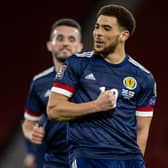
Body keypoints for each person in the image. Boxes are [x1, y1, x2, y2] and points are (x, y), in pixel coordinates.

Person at [47, 4, 157, 168]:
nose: (98, 33)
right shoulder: (77, 64)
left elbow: (142, 129)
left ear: (123, 35)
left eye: (106, 28)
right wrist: (96, 105)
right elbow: (54, 110)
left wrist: (137, 160)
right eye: (97, 27)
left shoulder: (143, 77)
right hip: (88, 156)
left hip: (129, 160)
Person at [22, 18, 83, 168]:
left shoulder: (95, 78)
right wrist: (32, 134)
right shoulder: (39, 82)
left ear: (80, 46)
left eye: (71, 39)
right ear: (50, 45)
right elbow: (29, 124)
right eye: (60, 38)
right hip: (54, 160)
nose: (66, 43)